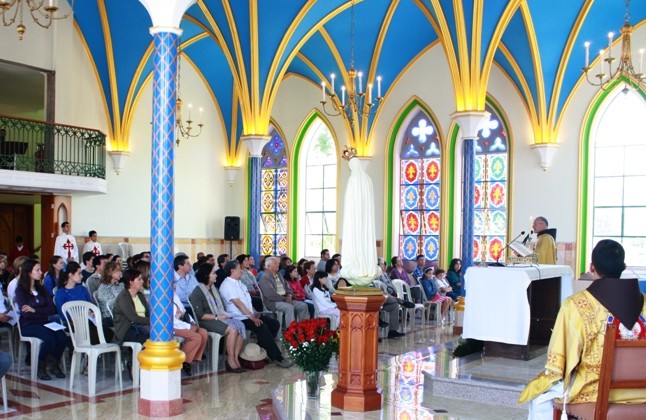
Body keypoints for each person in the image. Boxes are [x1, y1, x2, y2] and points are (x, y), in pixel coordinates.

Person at [519, 239, 646, 417]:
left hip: (593, 395)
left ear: (592, 267)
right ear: (623, 267)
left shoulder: (576, 305)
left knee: (539, 398)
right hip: (643, 395)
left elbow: (558, 365)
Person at [218, 260, 293, 368]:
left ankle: (261, 350)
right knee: (261, 326)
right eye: (240, 269)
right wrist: (252, 317)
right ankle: (278, 358)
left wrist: (255, 312)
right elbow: (238, 304)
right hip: (238, 317)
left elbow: (247, 302)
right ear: (232, 271)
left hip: (247, 314)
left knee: (274, 324)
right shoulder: (227, 285)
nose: (242, 271)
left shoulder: (240, 283)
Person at [15, 259, 69, 380]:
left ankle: (54, 364)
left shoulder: (41, 288)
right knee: (49, 338)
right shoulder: (20, 290)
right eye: (37, 270)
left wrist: (35, 310)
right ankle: (40, 365)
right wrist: (41, 311)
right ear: (29, 272)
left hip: (44, 322)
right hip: (28, 325)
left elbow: (52, 309)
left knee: (62, 336)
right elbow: (26, 315)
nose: (41, 272)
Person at [190, 263, 246, 373]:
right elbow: (199, 315)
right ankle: (230, 360)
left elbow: (220, 308)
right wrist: (216, 316)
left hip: (217, 317)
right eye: (213, 273)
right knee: (232, 330)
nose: (216, 275)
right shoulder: (197, 291)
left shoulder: (214, 288)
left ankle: (235, 358)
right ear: (206, 275)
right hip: (205, 321)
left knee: (240, 325)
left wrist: (223, 315)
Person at [55, 261, 113, 344]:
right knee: (93, 331)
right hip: (72, 322)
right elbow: (63, 314)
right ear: (70, 275)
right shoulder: (61, 293)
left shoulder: (82, 289)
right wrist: (76, 318)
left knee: (105, 330)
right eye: (79, 274)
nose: (82, 276)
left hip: (89, 319)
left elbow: (89, 304)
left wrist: (92, 312)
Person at [258, 257, 309, 326]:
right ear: (268, 266)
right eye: (275, 263)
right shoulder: (265, 278)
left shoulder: (278, 275)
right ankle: (291, 330)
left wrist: (289, 295)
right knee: (289, 307)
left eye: (278, 263)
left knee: (303, 306)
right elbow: (271, 295)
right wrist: (285, 299)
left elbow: (288, 287)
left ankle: (304, 327)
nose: (278, 265)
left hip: (285, 299)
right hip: (273, 302)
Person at [172, 284, 208, 376]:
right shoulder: (164, 299)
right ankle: (183, 361)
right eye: (171, 284)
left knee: (203, 332)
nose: (174, 286)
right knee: (196, 337)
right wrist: (188, 327)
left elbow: (184, 312)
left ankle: (192, 358)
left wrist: (192, 322)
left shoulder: (175, 296)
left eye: (175, 283)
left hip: (182, 324)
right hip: (173, 327)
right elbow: (172, 321)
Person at [113, 268, 149, 345]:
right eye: (139, 279)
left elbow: (147, 313)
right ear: (131, 282)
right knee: (152, 338)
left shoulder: (140, 295)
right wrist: (153, 321)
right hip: (128, 329)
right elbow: (134, 318)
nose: (142, 281)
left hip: (143, 326)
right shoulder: (123, 297)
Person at [96, 261, 125, 326]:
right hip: (109, 317)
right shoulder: (103, 288)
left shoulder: (121, 285)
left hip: (122, 315)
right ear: (110, 272)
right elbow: (114, 305)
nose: (120, 273)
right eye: (118, 271)